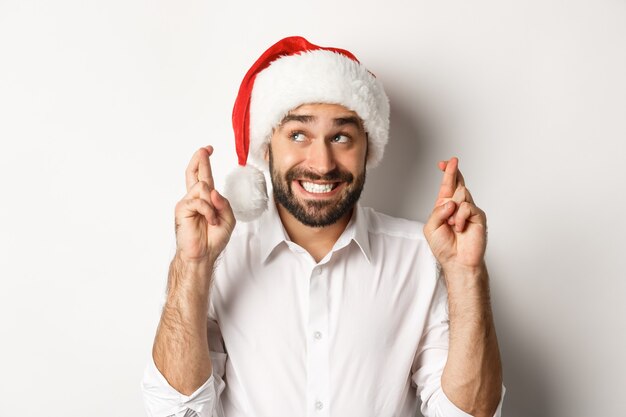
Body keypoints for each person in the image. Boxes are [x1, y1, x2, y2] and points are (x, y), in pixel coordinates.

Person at [141, 36, 504, 417]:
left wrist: (466, 275)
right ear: (266, 148)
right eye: (298, 134)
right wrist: (194, 265)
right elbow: (173, 413)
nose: (322, 162)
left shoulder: (423, 255)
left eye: (341, 137)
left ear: (369, 148)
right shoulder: (218, 254)